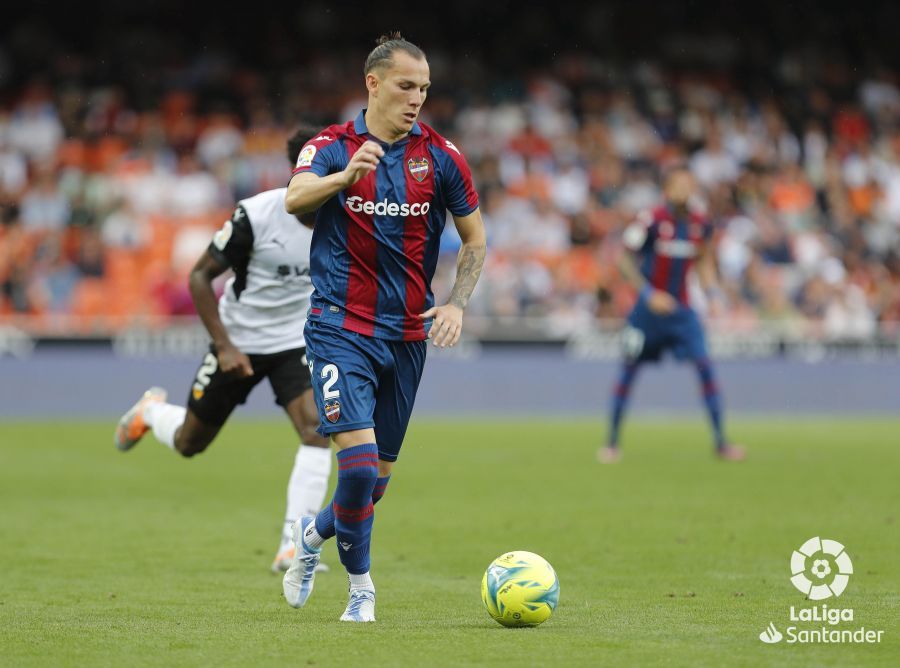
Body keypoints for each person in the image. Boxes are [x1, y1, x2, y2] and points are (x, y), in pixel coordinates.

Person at [281, 32, 486, 622]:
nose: (417, 97)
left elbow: (475, 239)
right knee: (359, 465)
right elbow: (296, 198)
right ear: (373, 84)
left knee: (371, 487)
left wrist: (456, 303)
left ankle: (312, 538)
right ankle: (362, 589)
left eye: (423, 87)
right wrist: (344, 179)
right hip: (338, 326)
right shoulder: (331, 145)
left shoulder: (441, 156)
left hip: (407, 336)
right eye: (405, 85)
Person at [114, 127, 333, 573]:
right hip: (238, 339)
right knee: (190, 442)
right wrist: (225, 345)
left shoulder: (345, 219)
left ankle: (295, 544)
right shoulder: (256, 215)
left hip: (295, 340)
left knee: (316, 428)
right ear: (302, 172)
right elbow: (199, 277)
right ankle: (151, 412)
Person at [599, 166, 745, 463]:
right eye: (677, 184)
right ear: (667, 188)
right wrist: (647, 294)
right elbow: (624, 259)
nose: (683, 189)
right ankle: (612, 443)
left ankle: (721, 442)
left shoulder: (701, 224)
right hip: (645, 315)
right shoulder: (650, 220)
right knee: (628, 372)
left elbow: (703, 261)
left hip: (682, 313)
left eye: (688, 184)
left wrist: (714, 294)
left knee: (705, 367)